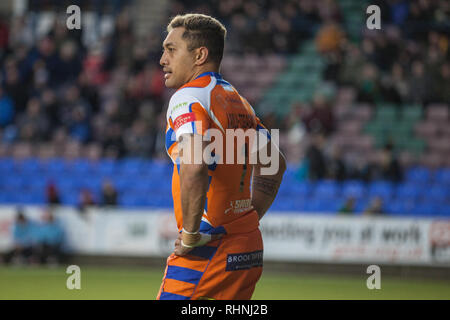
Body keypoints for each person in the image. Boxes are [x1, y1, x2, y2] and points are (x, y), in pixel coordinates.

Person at [156, 13, 286, 300]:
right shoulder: (238, 101)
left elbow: (194, 166)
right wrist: (245, 221)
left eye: (171, 49)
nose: (162, 59)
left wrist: (190, 235)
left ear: (200, 54)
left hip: (208, 247)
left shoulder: (188, 98)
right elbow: (275, 165)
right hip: (247, 247)